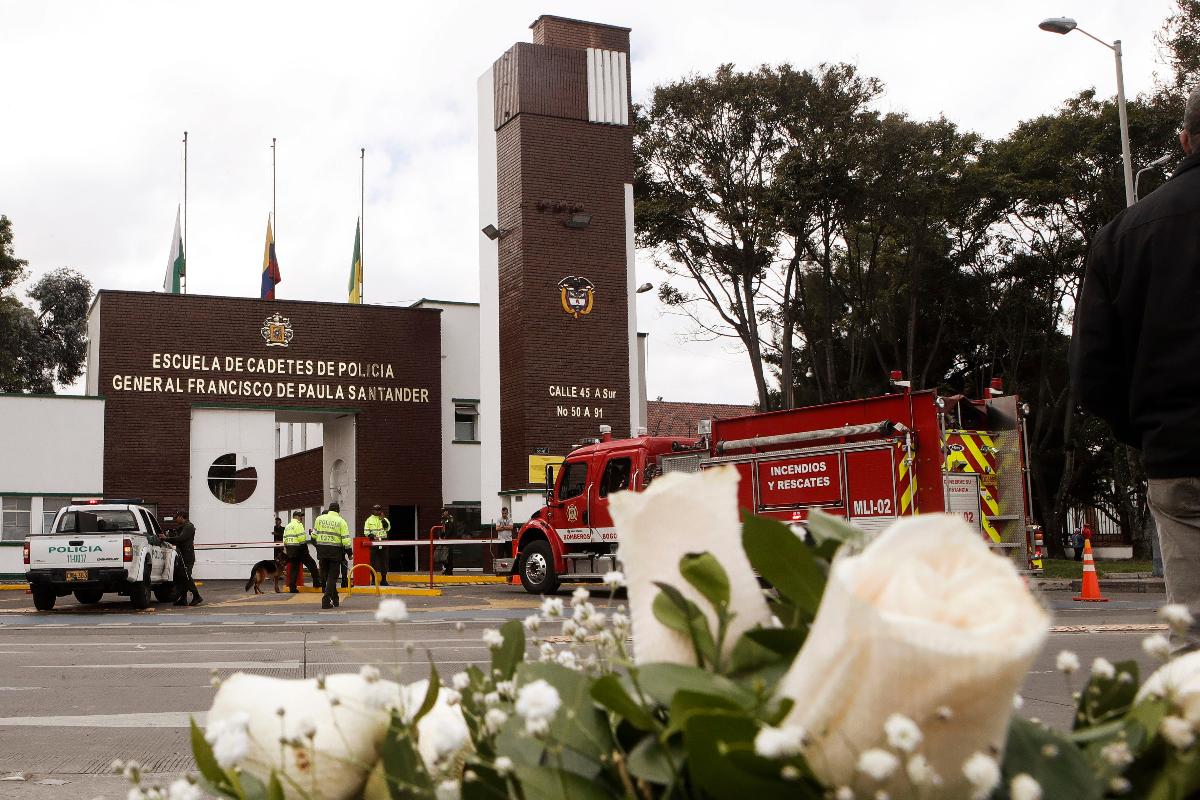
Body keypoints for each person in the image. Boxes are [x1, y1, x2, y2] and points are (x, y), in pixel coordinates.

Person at [1070, 83, 1200, 620]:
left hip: (1181, 460)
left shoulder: (1123, 236)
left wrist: (1147, 430)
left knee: (1193, 640)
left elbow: (1093, 374)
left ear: (1186, 139)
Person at [312, 503, 352, 609]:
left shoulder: (319, 519)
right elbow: (346, 540)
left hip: (322, 551)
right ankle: (326, 600)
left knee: (327, 576)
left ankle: (335, 598)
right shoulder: (341, 521)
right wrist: (349, 553)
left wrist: (319, 547)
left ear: (329, 509)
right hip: (335, 552)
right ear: (338, 511)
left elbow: (313, 536)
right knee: (333, 577)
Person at [168, 510, 202, 607]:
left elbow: (180, 539)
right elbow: (177, 541)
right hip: (182, 556)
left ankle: (197, 596)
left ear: (182, 516)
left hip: (187, 557)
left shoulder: (189, 527)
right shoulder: (182, 527)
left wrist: (167, 539)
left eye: (176, 517)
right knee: (182, 577)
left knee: (187, 577)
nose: (175, 519)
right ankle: (183, 599)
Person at [283, 510, 320, 592]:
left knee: (294, 569)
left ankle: (292, 587)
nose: (301, 518)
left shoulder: (288, 526)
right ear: (296, 516)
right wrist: (306, 551)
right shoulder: (298, 525)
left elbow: (284, 540)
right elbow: (301, 539)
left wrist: (288, 549)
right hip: (299, 549)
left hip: (290, 549)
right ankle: (317, 583)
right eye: (300, 516)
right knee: (312, 564)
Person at [364, 504, 392, 586]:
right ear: (373, 510)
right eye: (376, 510)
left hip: (383, 541)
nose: (377, 511)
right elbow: (366, 532)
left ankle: (384, 580)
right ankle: (373, 580)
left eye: (379, 510)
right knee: (373, 562)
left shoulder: (384, 519)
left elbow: (388, 528)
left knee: (384, 561)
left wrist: (383, 519)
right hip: (374, 543)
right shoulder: (368, 520)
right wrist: (372, 537)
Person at [437, 508, 457, 576]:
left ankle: (449, 570)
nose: (442, 513)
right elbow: (439, 528)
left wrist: (446, 536)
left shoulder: (451, 518)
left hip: (450, 539)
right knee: (442, 555)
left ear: (447, 512)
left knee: (449, 556)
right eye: (442, 512)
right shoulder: (442, 519)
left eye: (443, 512)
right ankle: (446, 569)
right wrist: (439, 536)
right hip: (443, 540)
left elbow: (451, 529)